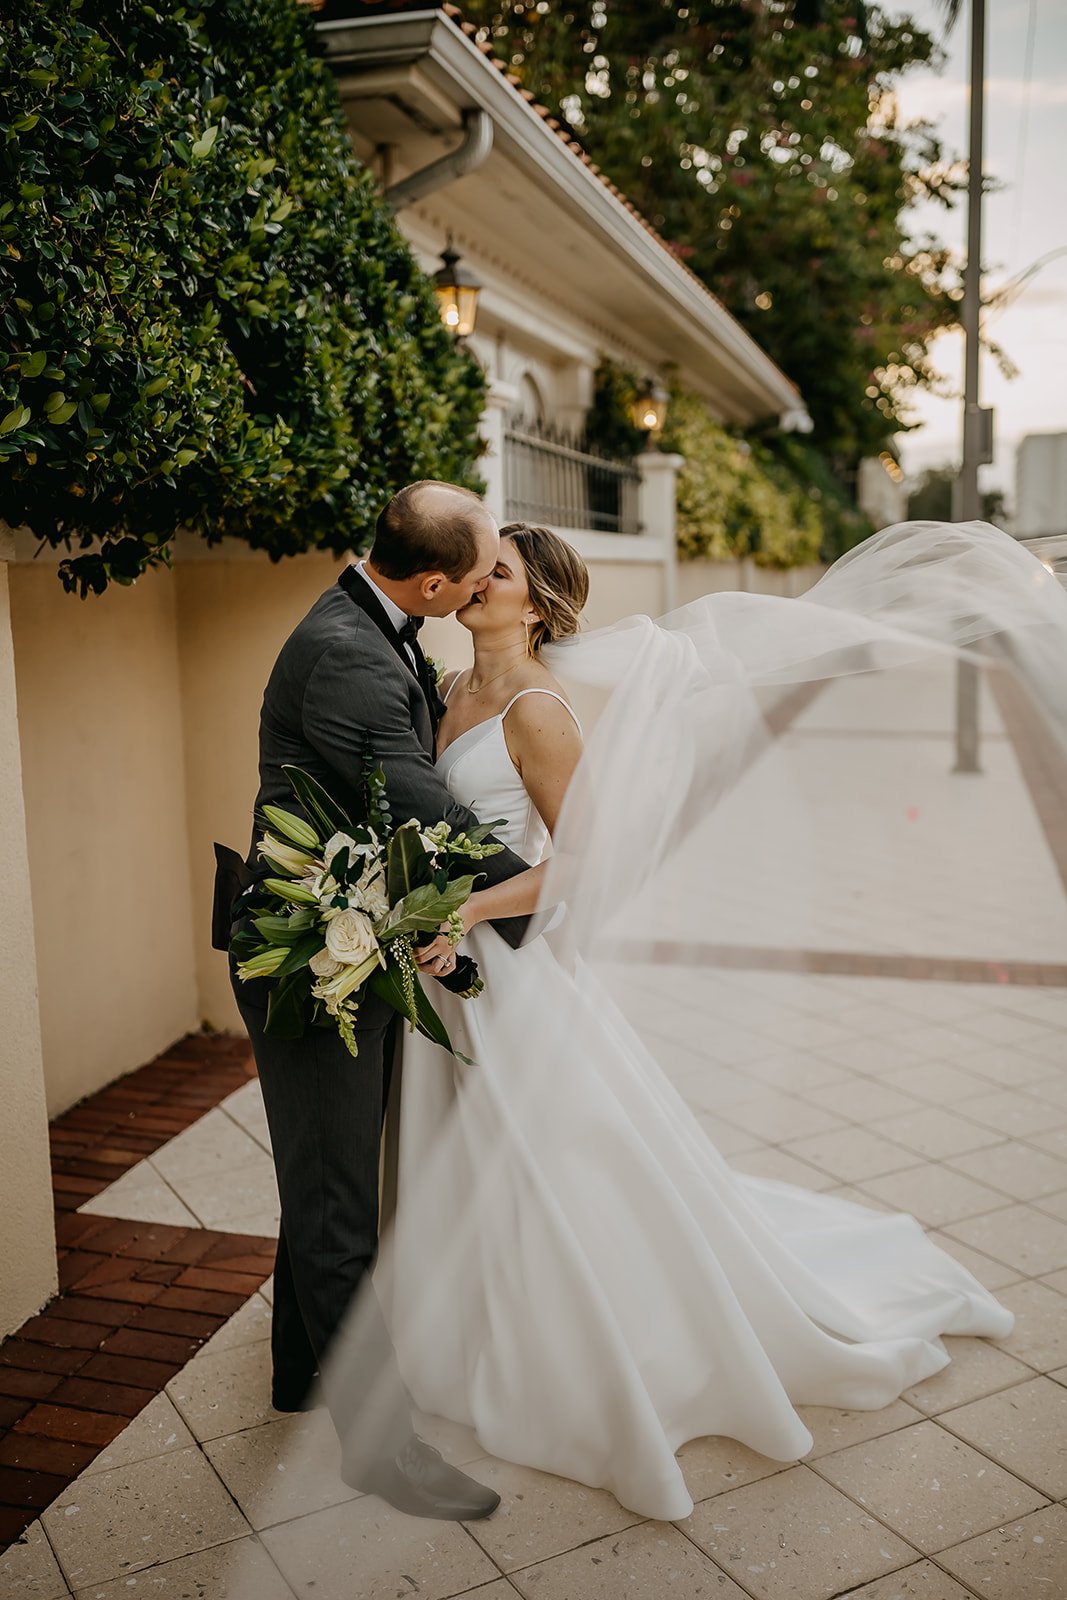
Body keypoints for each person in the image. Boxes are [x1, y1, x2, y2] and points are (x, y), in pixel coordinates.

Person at [382, 520, 1030, 1523]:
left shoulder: (535, 709)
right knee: (462, 1149)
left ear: (538, 605)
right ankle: (459, 1323)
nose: (474, 581)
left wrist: (462, 913)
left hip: (500, 965)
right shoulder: (445, 685)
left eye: (495, 572)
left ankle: (583, 1344)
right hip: (443, 964)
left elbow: (582, 859)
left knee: (547, 1156)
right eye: (473, 568)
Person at [227, 481, 535, 1522]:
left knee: (326, 1177)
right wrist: (542, 900)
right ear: (432, 583)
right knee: (337, 1204)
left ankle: (299, 1371)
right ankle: (380, 1450)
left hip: (350, 937)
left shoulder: (368, 619)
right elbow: (417, 802)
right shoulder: (352, 655)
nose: (483, 585)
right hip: (309, 959)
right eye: (476, 573)